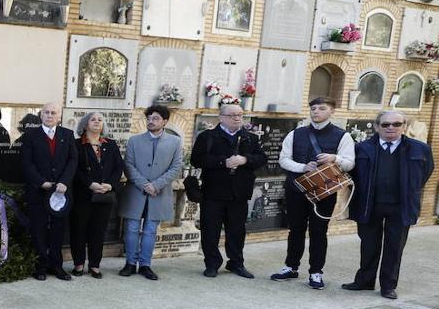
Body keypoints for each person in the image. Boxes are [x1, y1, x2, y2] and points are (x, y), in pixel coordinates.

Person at [342, 110, 433, 300]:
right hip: (369, 204)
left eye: (396, 124)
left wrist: (409, 190)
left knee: (394, 247)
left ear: (404, 126)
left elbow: (426, 172)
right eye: (385, 124)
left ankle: (388, 286)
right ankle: (364, 281)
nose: (391, 127)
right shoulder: (362, 148)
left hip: (401, 207)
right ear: (377, 127)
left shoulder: (420, 149)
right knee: (369, 245)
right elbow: (353, 174)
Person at [271, 97, 355, 290]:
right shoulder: (296, 133)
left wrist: (335, 158)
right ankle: (291, 267)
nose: (316, 111)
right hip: (296, 189)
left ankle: (316, 272)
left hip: (324, 191)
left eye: (321, 108)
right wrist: (302, 167)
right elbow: (283, 160)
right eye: (313, 108)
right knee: (295, 230)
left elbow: (350, 162)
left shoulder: (343, 136)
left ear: (331, 111)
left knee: (319, 232)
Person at [190, 103, 267, 278]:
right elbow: (197, 159)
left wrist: (244, 160)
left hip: (239, 193)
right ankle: (212, 263)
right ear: (221, 117)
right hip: (213, 192)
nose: (237, 118)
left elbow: (262, 158)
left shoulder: (250, 138)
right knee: (210, 230)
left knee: (237, 230)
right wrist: (222, 162)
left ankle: (236, 263)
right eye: (232, 115)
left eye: (240, 114)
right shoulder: (207, 137)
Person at [119, 105, 184, 280]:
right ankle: (130, 263)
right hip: (136, 192)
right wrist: (144, 184)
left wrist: (156, 185)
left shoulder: (175, 142)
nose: (151, 121)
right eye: (149, 118)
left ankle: (145, 265)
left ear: (164, 121)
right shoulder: (134, 140)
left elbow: (177, 167)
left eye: (155, 118)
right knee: (131, 228)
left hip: (159, 193)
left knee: (150, 230)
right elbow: (128, 165)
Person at [18, 102, 77, 280]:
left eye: (53, 113)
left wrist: (65, 182)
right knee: (39, 228)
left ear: (59, 116)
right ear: (41, 115)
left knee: (58, 229)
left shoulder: (67, 135)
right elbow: (26, 164)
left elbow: (73, 160)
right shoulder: (30, 136)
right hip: (38, 191)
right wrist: (40, 181)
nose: (50, 115)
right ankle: (41, 266)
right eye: (46, 112)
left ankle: (57, 267)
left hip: (61, 193)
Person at [68, 112, 124, 278]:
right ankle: (78, 264)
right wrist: (89, 184)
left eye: (100, 120)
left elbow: (118, 167)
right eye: (93, 119)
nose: (97, 122)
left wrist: (110, 184)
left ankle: (94, 265)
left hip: (104, 196)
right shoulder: (77, 144)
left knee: (98, 230)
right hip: (83, 194)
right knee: (79, 229)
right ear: (85, 125)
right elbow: (74, 169)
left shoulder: (111, 145)